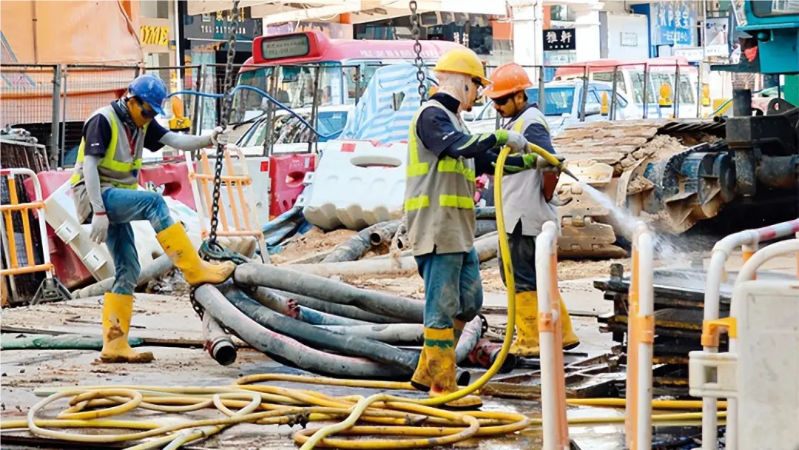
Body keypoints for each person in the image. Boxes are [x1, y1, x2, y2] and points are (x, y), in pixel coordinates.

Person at [70, 73, 236, 364]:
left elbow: (174, 139)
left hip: (114, 198)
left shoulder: (140, 123)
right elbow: (90, 169)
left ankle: (115, 344)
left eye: (152, 114)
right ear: (131, 100)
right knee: (154, 202)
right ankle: (194, 269)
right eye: (146, 111)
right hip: (94, 195)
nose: (149, 118)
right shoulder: (103, 120)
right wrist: (98, 211)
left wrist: (209, 139)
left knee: (129, 270)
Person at [405, 47, 532, 409]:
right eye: (477, 85)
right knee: (442, 306)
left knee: (470, 301)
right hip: (435, 228)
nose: (480, 93)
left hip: (458, 231)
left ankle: (425, 373)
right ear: (462, 83)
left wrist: (530, 161)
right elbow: (460, 148)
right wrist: (503, 137)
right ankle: (443, 387)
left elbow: (486, 159)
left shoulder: (456, 122)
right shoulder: (432, 117)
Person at [482, 62, 579, 357]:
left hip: (523, 217)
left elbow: (550, 163)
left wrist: (544, 197)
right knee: (538, 279)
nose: (496, 106)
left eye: (501, 100)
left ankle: (529, 339)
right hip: (522, 214)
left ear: (519, 96)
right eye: (494, 101)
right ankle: (562, 334)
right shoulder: (519, 122)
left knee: (520, 277)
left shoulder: (531, 123)